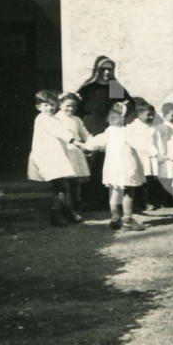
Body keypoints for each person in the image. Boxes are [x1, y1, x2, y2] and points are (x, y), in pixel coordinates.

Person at [83, 102, 151, 231]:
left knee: (114, 191)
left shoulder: (109, 131)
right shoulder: (126, 132)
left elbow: (93, 143)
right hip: (126, 167)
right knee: (128, 192)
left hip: (113, 168)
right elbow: (141, 145)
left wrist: (87, 144)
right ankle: (127, 219)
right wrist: (153, 152)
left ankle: (115, 219)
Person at [76, 56, 131, 206]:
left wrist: (121, 111)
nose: (106, 72)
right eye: (103, 69)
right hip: (92, 127)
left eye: (109, 69)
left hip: (110, 127)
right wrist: (84, 130)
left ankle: (107, 201)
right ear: (96, 70)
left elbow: (127, 103)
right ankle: (90, 201)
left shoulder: (113, 86)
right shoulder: (89, 88)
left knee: (109, 164)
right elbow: (77, 110)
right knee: (93, 163)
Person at [27, 90, 84, 227]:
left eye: (52, 105)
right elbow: (60, 132)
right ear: (38, 107)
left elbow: (64, 129)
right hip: (46, 156)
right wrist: (74, 141)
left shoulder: (55, 118)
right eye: (46, 105)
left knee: (61, 186)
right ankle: (57, 215)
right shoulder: (42, 119)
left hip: (56, 155)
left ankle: (65, 212)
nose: (50, 108)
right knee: (61, 185)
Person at [55, 92, 91, 217]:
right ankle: (65, 209)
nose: (70, 109)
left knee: (76, 183)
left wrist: (91, 142)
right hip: (63, 153)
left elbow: (85, 134)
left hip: (76, 153)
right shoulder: (56, 119)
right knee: (64, 184)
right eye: (67, 106)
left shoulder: (77, 119)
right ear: (60, 105)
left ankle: (76, 206)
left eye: (73, 106)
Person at [127, 101, 164, 212]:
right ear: (139, 115)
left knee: (150, 181)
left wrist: (160, 155)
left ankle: (149, 202)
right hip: (139, 158)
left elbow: (159, 143)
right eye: (148, 115)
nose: (151, 117)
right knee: (138, 182)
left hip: (151, 159)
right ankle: (137, 204)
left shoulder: (154, 128)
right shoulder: (133, 127)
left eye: (153, 114)